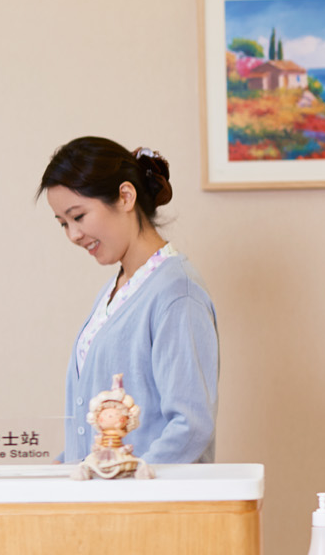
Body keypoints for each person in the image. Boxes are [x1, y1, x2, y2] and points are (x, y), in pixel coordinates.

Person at [39, 136, 218, 466]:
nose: (73, 235)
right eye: (63, 223)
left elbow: (190, 428)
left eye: (78, 216)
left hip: (142, 497)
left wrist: (129, 484)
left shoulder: (177, 293)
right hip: (102, 494)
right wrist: (64, 468)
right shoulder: (117, 289)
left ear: (125, 196)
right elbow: (99, 424)